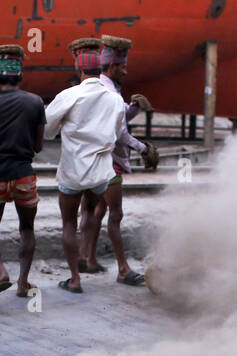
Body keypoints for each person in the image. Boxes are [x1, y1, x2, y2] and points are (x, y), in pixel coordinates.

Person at [43, 38, 128, 294]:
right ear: (100, 69)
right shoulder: (114, 99)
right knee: (91, 212)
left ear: (79, 70)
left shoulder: (69, 95)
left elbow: (47, 131)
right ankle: (94, 259)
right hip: (101, 173)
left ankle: (75, 279)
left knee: (69, 223)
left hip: (73, 173)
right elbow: (115, 133)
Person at [76, 35, 159, 286]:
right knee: (115, 214)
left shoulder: (99, 87)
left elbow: (118, 118)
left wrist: (132, 108)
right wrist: (143, 148)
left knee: (95, 210)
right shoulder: (109, 93)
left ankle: (87, 259)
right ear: (111, 67)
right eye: (123, 67)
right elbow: (119, 132)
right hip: (107, 162)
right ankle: (123, 269)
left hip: (89, 161)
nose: (126, 71)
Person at [0, 44, 45, 300]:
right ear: (19, 75)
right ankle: (23, 284)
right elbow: (37, 146)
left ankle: (1, 273)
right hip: (24, 175)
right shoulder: (34, 102)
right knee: (27, 230)